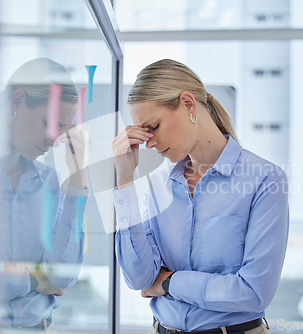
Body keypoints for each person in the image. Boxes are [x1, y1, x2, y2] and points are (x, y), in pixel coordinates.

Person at [112, 59, 289, 334]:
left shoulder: (264, 180)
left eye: (154, 126)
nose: (148, 143)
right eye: (143, 133)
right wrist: (124, 182)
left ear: (188, 104)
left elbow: (254, 292)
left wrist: (170, 283)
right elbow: (139, 278)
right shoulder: (158, 185)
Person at [0, 58, 89, 332]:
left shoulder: (49, 182)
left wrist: (77, 177)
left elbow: (63, 276)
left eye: (62, 129)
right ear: (16, 103)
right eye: (49, 122)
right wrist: (34, 280)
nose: (54, 139)